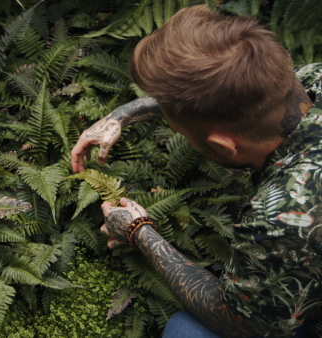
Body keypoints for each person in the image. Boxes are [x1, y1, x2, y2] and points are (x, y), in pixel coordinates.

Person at [71, 5, 322, 338]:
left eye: (183, 133)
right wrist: (123, 113)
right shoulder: (311, 80)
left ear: (223, 146)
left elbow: (239, 323)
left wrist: (139, 231)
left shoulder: (284, 217)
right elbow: (232, 93)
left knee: (185, 331)